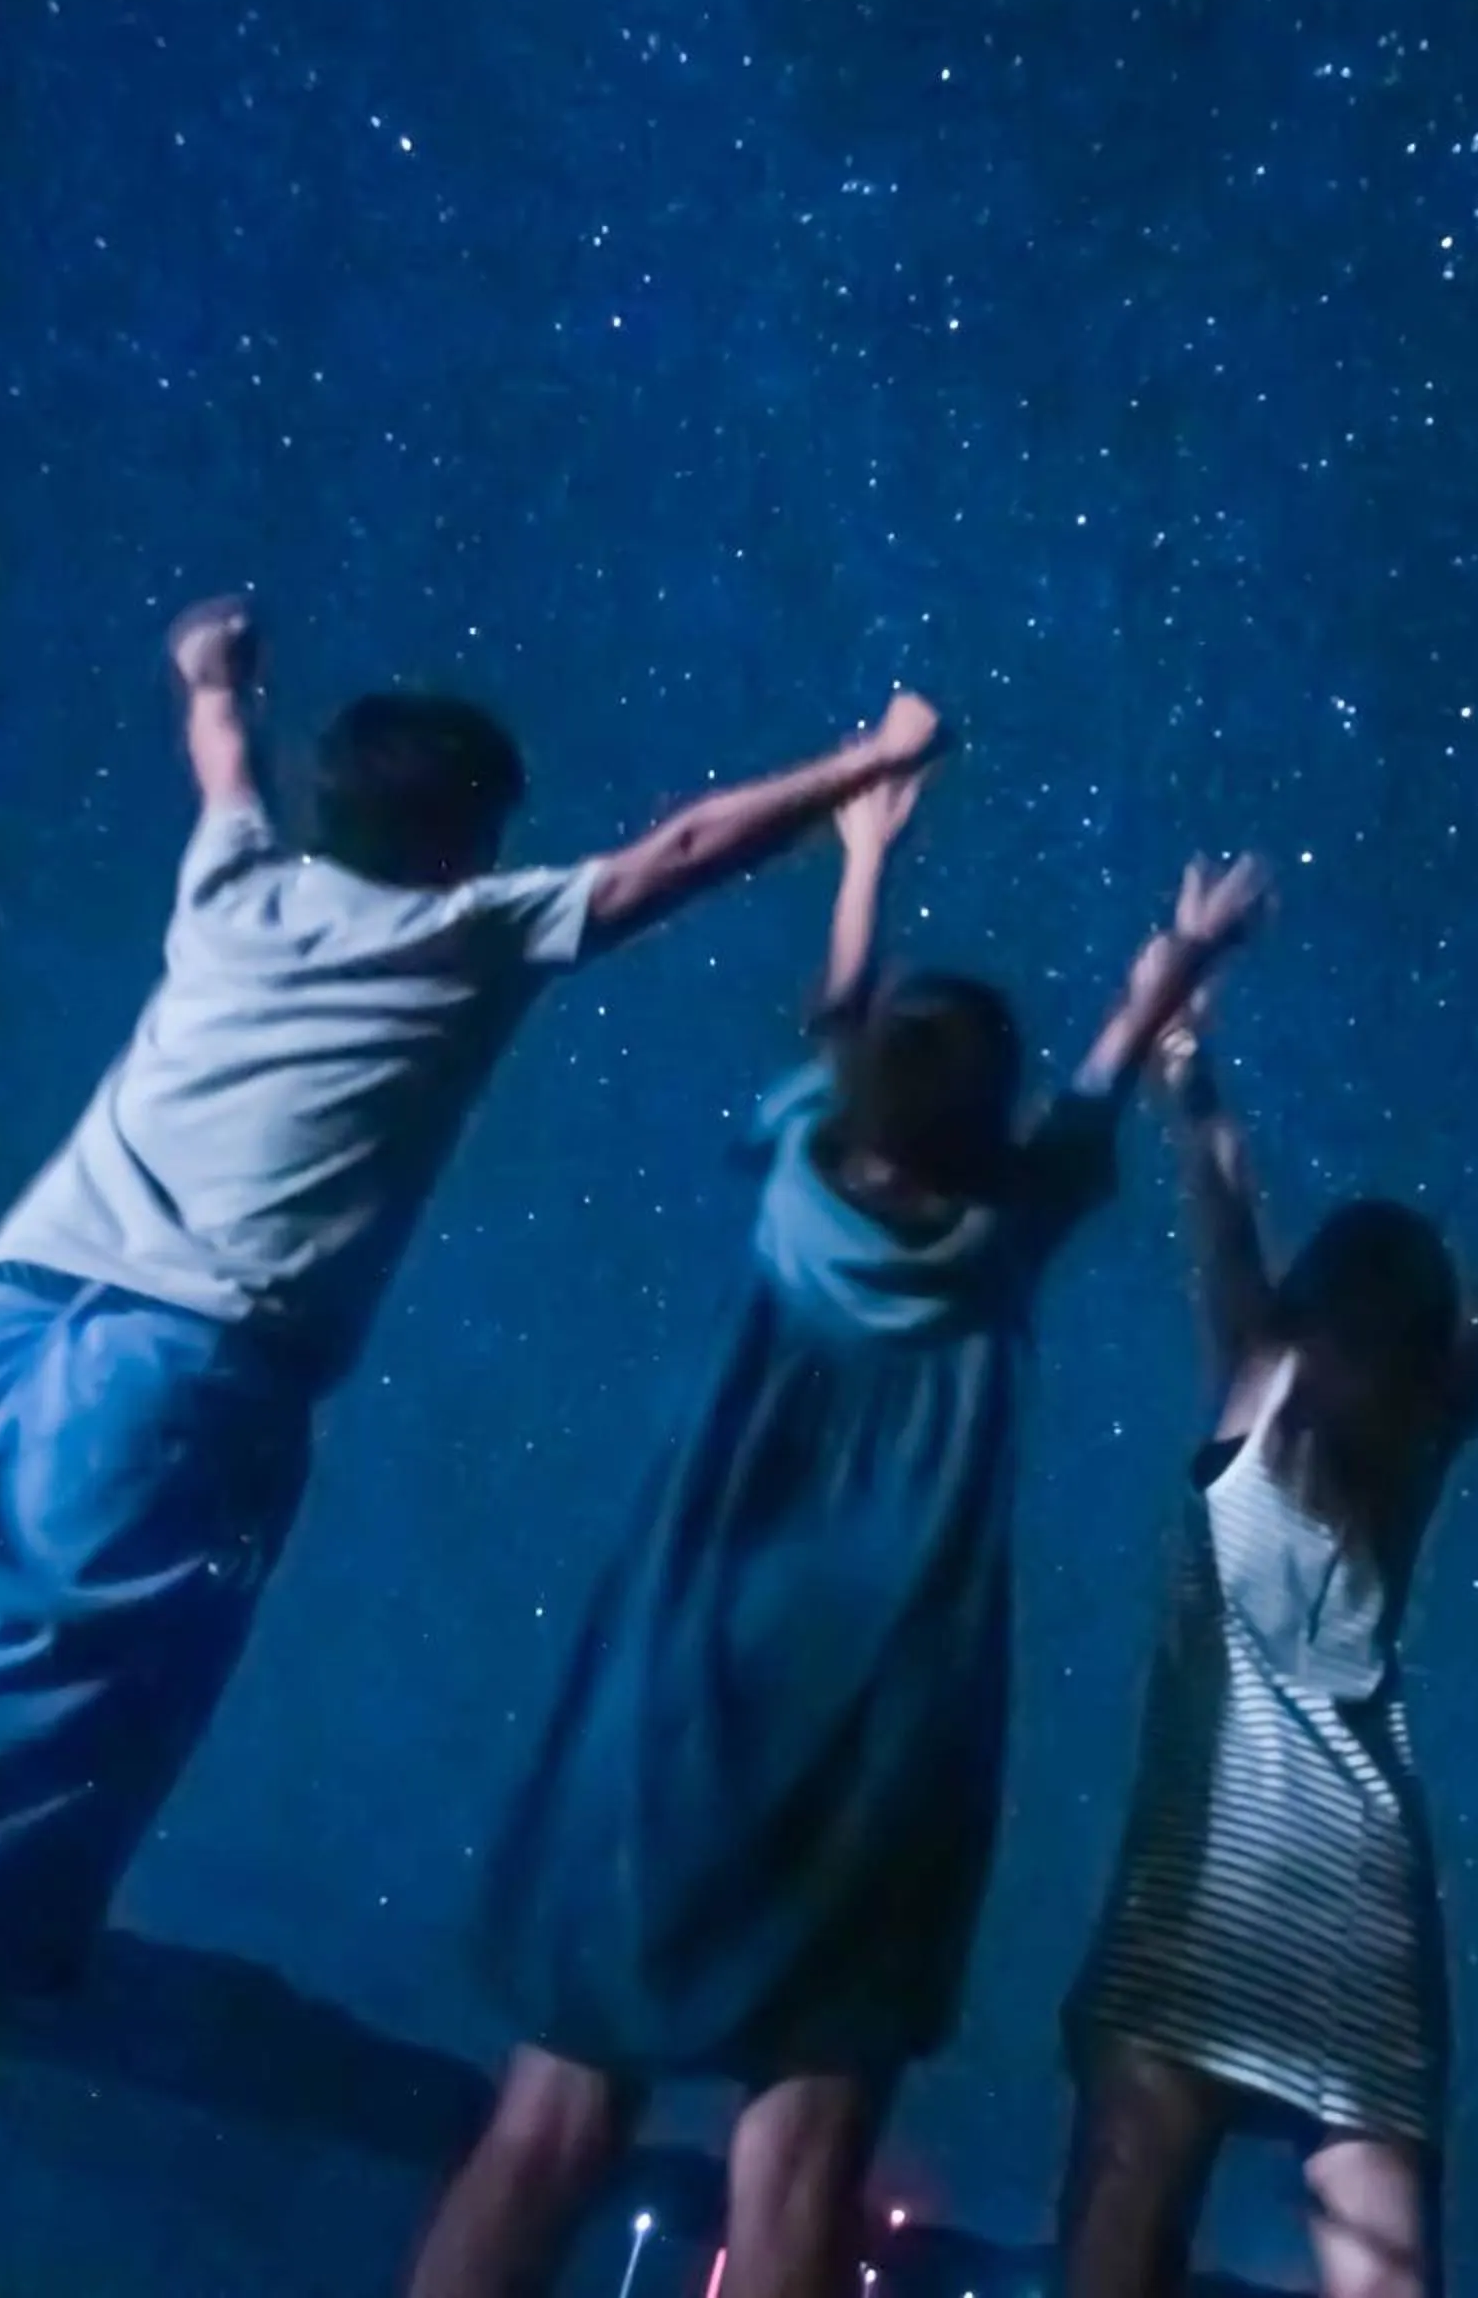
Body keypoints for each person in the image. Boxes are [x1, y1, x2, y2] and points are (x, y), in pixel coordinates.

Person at [0, 592, 944, 1999]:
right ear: (465, 841)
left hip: (20, 1299)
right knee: (68, 1709)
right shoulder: (472, 935)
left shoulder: (233, 887)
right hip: (183, 1358)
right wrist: (872, 760)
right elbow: (674, 855)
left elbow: (221, 756)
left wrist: (211, 676)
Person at [404, 811, 1272, 2298]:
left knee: (547, 2124)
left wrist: (864, 854)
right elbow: (1105, 1074)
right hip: (883, 1732)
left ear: (856, 1090)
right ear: (987, 1120)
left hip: (672, 1699)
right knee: (801, 2162)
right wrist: (1176, 966)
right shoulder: (1013, 1226)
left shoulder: (793, 1162)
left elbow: (834, 1015)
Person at [1059, 946, 1478, 2298]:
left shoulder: (1254, 1392)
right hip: (1359, 1894)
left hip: (1199, 1885)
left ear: (1311, 1310)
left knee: (1116, 2245)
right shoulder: (1414, 1437)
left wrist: (1190, 1076)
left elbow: (1223, 1213)